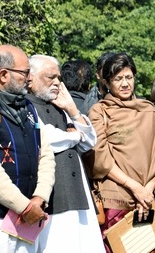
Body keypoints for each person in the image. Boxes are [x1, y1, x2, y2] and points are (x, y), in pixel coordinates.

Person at [86, 52, 155, 253]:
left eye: (128, 77)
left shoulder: (149, 110)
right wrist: (135, 188)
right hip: (117, 202)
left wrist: (147, 189)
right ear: (107, 83)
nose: (124, 84)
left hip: (149, 200)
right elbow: (99, 158)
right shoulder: (99, 112)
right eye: (118, 79)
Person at [0, 44, 55, 252]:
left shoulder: (28, 108)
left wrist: (39, 197)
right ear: (4, 75)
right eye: (24, 72)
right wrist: (24, 206)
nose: (29, 78)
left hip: (28, 219)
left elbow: (46, 155)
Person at [26, 55, 104, 252]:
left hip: (77, 192)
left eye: (58, 78)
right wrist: (74, 136)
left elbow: (89, 141)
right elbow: (46, 139)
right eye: (50, 77)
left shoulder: (59, 105)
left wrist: (72, 109)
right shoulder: (25, 105)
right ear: (31, 78)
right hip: (53, 195)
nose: (56, 83)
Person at [83, 51, 115, 115]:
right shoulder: (89, 102)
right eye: (106, 71)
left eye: (115, 71)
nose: (110, 75)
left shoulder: (130, 99)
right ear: (97, 74)